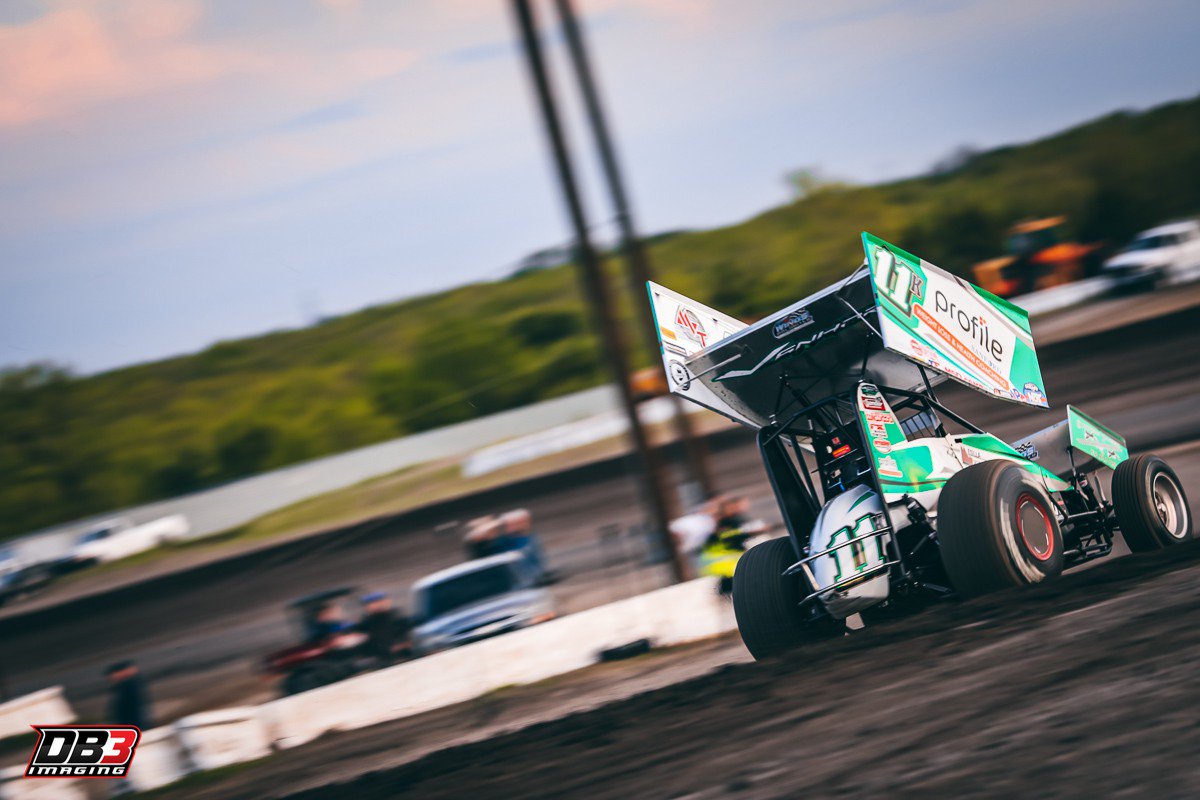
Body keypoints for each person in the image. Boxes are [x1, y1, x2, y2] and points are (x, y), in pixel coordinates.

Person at [358, 592, 410, 664]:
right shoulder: (366, 622)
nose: (377, 605)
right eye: (372, 603)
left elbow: (406, 632)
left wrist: (402, 644)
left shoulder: (396, 615)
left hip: (404, 654)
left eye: (379, 602)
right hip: (381, 659)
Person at [106, 660, 151, 731]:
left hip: (132, 727)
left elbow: (133, 712)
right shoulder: (130, 685)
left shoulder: (130, 687)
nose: (112, 677)